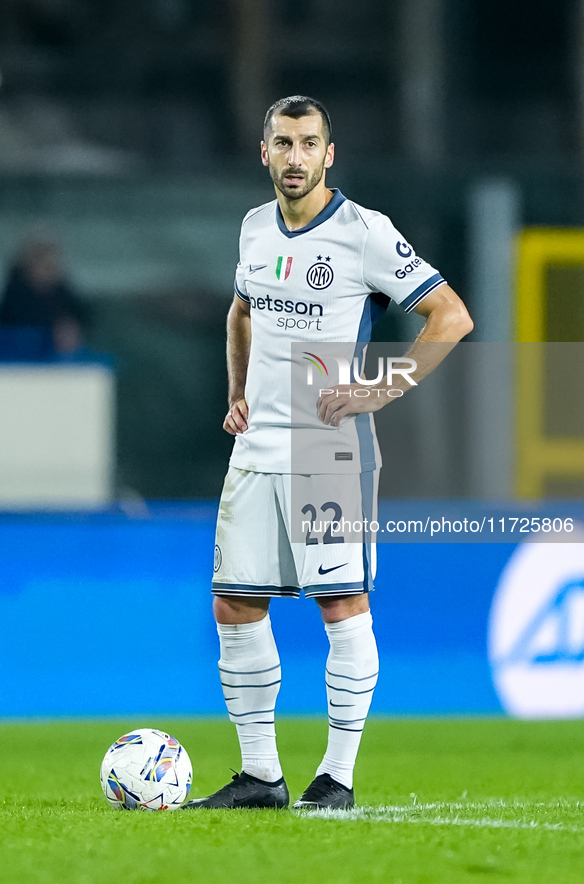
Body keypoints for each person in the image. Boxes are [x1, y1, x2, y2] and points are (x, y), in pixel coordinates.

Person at [183, 96, 473, 811]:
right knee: (234, 601)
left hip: (325, 447)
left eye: (308, 143)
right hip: (257, 447)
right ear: (263, 152)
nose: (294, 156)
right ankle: (261, 777)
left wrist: (381, 389)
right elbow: (242, 309)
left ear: (328, 154)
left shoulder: (363, 233)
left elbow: (451, 316)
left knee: (341, 604)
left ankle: (336, 778)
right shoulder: (253, 227)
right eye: (282, 143)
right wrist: (235, 394)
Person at [0, 237, 85, 360]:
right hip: (18, 361)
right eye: (40, 256)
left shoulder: (63, 294)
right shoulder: (15, 293)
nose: (46, 262)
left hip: (58, 363)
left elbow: (75, 326)